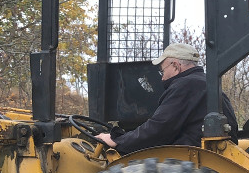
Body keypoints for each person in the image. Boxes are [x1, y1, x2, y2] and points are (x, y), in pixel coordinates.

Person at [95, 43, 239, 154]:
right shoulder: (205, 83)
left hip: (193, 157)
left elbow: (158, 129)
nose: (162, 77)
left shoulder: (186, 85)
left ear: (176, 66)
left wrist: (117, 140)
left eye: (162, 71)